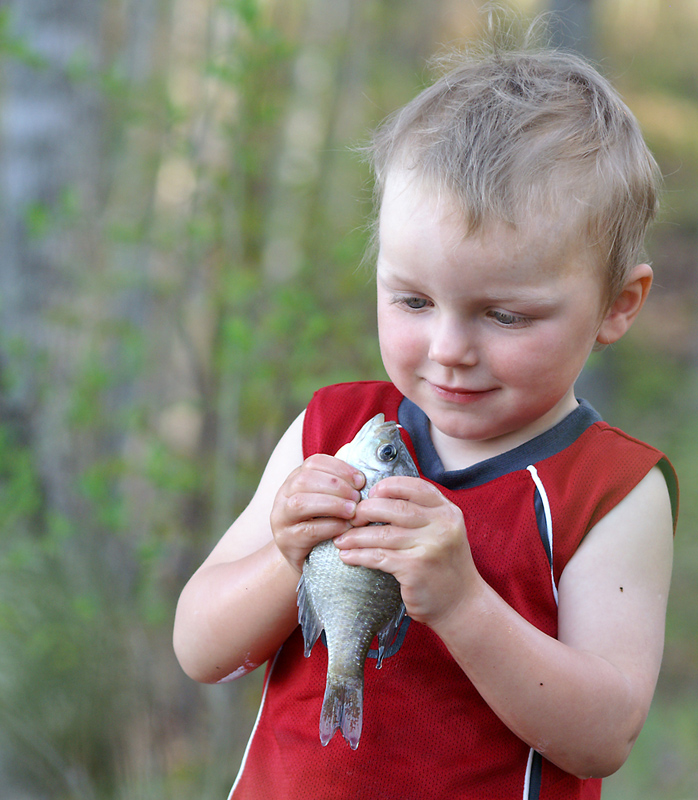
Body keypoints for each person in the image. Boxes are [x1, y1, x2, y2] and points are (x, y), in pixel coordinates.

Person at [173, 32, 678, 800]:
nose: (448, 350)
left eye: (504, 316)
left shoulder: (611, 489)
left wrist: (465, 602)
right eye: (412, 300)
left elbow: (603, 735)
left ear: (617, 306)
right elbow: (200, 649)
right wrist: (287, 555)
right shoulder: (334, 430)